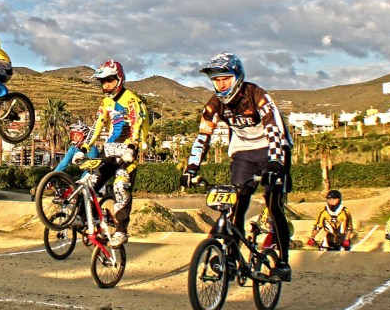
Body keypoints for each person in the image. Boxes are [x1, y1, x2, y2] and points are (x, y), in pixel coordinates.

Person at [178, 52, 294, 282]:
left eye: (226, 79)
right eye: (216, 80)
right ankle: (230, 258)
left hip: (273, 149)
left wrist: (275, 162)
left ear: (237, 77)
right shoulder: (214, 104)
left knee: (273, 204)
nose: (221, 85)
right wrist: (191, 168)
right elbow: (202, 137)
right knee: (236, 203)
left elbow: (274, 129)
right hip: (244, 152)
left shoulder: (257, 95)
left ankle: (283, 262)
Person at [72, 59, 150, 247]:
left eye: (109, 80)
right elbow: (96, 126)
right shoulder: (106, 102)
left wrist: (133, 147)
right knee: (88, 181)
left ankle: (121, 230)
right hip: (109, 149)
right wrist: (84, 148)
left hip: (127, 151)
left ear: (119, 79)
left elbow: (138, 124)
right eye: (103, 82)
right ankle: (84, 217)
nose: (106, 85)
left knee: (120, 185)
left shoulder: (131, 100)